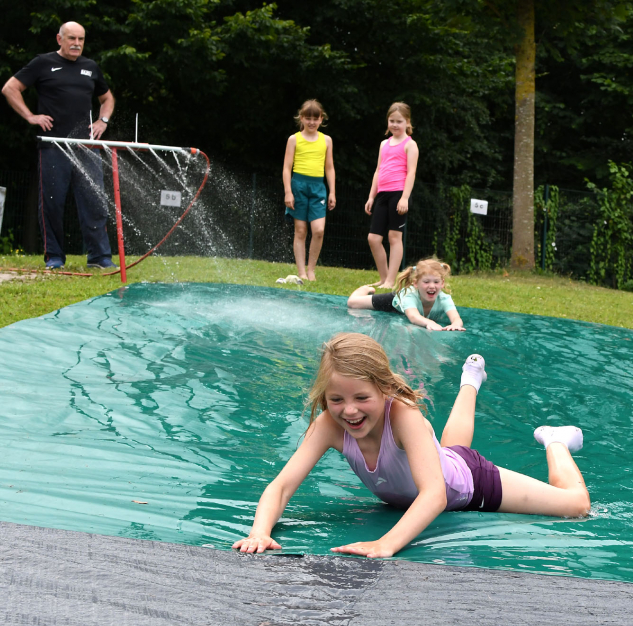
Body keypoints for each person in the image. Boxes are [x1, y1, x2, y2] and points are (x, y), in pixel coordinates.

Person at [233, 333, 590, 558]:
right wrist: (260, 531)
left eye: (362, 397)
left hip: (472, 483)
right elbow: (281, 487)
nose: (350, 410)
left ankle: (556, 442)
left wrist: (385, 543)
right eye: (337, 398)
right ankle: (471, 380)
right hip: (442, 462)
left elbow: (435, 494)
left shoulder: (403, 415)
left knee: (575, 506)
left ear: (384, 389)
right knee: (448, 450)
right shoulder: (330, 423)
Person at [1, 21, 117, 270]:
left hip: (86, 146)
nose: (77, 44)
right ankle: (54, 257)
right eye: (72, 38)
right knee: (52, 203)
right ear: (59, 39)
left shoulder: (90, 67)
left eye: (81, 39)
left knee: (94, 201)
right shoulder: (42, 63)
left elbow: (107, 98)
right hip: (54, 145)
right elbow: (10, 88)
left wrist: (102, 121)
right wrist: (31, 116)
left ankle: (99, 257)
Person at [364, 102, 419, 288]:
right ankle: (383, 278)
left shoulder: (410, 145)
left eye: (399, 121)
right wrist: (372, 196)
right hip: (382, 195)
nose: (395, 125)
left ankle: (390, 281)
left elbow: (411, 173)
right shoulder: (383, 144)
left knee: (394, 237)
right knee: (373, 238)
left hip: (398, 195)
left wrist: (404, 198)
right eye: (392, 121)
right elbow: (378, 171)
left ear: (407, 122)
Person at [283, 99, 336, 281]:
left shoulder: (326, 140)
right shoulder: (293, 139)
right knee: (300, 230)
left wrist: (332, 192)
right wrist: (288, 192)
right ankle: (302, 273)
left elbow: (329, 168)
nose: (312, 122)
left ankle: (311, 269)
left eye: (316, 118)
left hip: (318, 188)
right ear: (302, 119)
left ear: (322, 119)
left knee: (319, 229)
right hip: (298, 185)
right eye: (308, 118)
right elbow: (286, 168)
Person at [347, 257, 464, 331]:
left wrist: (455, 324)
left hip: (405, 308)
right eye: (426, 282)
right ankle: (364, 289)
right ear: (416, 283)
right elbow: (413, 317)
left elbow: (456, 318)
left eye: (436, 282)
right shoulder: (409, 296)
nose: (432, 286)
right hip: (394, 303)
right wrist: (429, 322)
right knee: (353, 303)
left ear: (442, 283)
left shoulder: (444, 298)